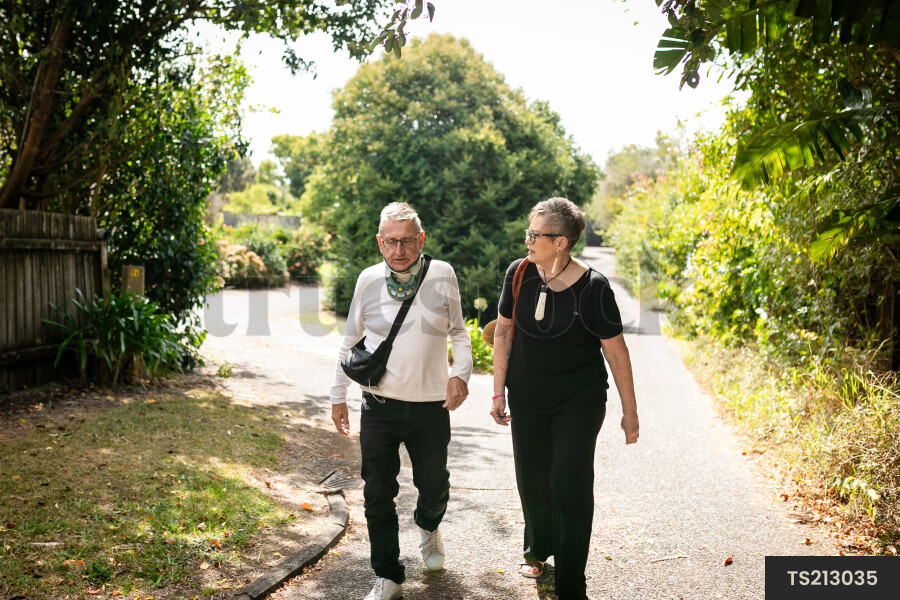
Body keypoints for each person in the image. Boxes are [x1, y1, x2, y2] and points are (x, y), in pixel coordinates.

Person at [489, 197, 639, 600]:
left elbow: (616, 351)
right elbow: (503, 334)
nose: (527, 240)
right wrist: (498, 391)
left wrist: (630, 412)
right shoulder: (518, 274)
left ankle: (572, 580)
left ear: (561, 242)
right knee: (533, 480)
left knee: (567, 481)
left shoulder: (594, 287)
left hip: (579, 399)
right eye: (528, 232)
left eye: (535, 234)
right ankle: (538, 549)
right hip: (527, 397)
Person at [330, 202, 473, 600]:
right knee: (377, 490)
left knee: (433, 485)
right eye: (391, 241)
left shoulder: (442, 274)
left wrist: (460, 374)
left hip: (431, 407)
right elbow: (350, 340)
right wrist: (337, 395)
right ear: (380, 242)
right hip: (379, 405)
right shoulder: (368, 280)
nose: (399, 250)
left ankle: (429, 525)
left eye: (407, 241)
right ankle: (388, 575)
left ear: (420, 239)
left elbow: (459, 333)